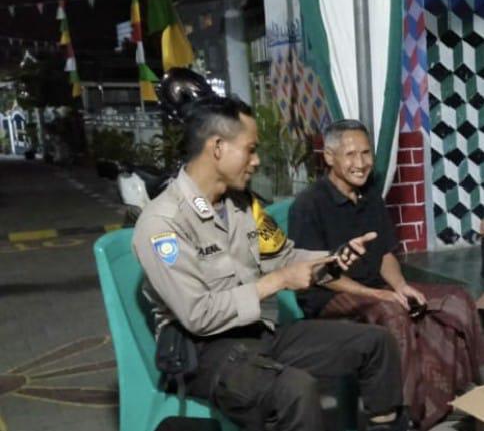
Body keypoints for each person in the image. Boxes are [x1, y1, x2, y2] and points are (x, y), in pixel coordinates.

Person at [133, 84, 407, 431]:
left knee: (376, 343)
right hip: (204, 353)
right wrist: (277, 282)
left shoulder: (242, 205)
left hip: (260, 334)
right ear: (217, 148)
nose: (256, 161)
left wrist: (332, 260)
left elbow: (283, 256)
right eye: (250, 150)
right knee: (295, 390)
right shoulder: (164, 223)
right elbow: (198, 314)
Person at [288, 119, 484, 430]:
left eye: (366, 153)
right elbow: (319, 274)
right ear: (329, 157)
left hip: (376, 287)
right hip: (329, 295)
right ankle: (399, 413)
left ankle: (456, 396)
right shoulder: (308, 205)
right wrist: (380, 294)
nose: (361, 163)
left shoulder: (370, 195)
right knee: (392, 312)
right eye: (351, 154)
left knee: (456, 299)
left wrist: (401, 286)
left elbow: (385, 254)